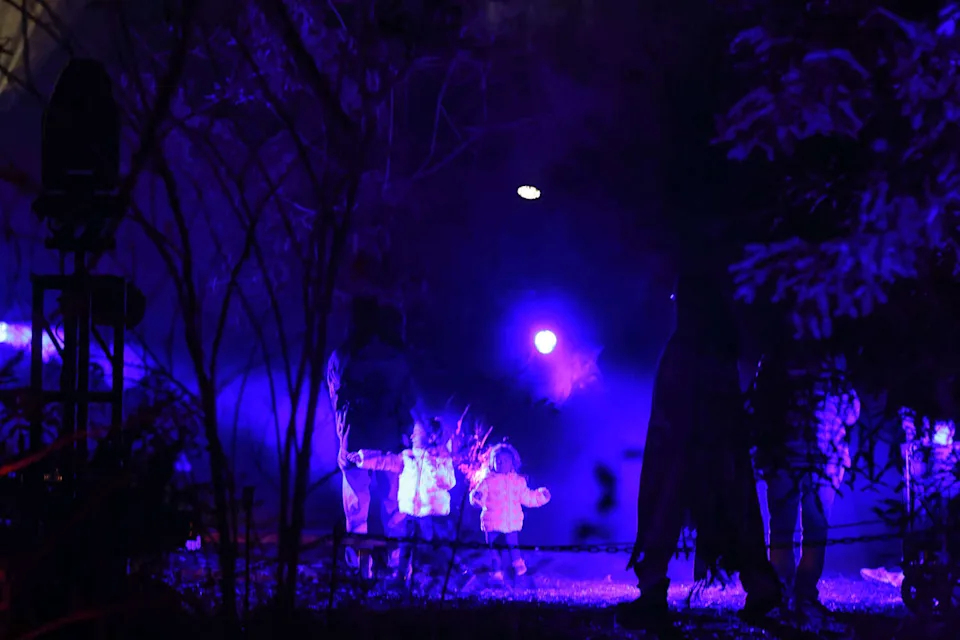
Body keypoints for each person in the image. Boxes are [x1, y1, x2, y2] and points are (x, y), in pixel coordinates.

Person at [619, 270, 782, 630]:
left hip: (685, 450)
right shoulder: (720, 344)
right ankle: (760, 585)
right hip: (717, 450)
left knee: (664, 516)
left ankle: (652, 594)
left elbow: (675, 402)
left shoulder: (688, 345)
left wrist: (672, 437)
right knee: (734, 517)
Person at [751, 326, 859, 628]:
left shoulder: (775, 356)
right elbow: (852, 412)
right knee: (815, 530)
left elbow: (760, 404)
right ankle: (804, 595)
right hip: (824, 459)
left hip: (785, 456)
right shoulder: (833, 360)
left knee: (783, 531)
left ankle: (784, 594)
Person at [327, 297, 419, 576]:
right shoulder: (399, 359)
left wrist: (343, 433)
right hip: (391, 442)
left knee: (356, 506)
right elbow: (408, 402)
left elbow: (337, 397)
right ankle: (396, 562)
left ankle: (359, 563)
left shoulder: (342, 355)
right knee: (395, 504)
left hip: (355, 439)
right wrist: (406, 434)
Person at [347, 418, 456, 587]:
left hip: (434, 515)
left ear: (432, 437)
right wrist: (362, 458)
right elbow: (385, 460)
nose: (412, 436)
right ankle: (401, 577)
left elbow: (448, 482)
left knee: (435, 547)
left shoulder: (442, 458)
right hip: (411, 512)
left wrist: (431, 462)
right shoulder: (407, 457)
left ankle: (446, 577)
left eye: (418, 433)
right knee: (406, 545)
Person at [469, 442, 551, 581]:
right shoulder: (487, 481)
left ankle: (518, 566)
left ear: (513, 463)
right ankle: (497, 569)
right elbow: (479, 496)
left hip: (511, 520)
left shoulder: (518, 481)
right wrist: (476, 498)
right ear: (492, 462)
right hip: (492, 520)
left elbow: (527, 497)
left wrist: (540, 496)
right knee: (493, 546)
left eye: (505, 461)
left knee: (513, 543)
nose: (501, 463)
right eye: (497, 460)